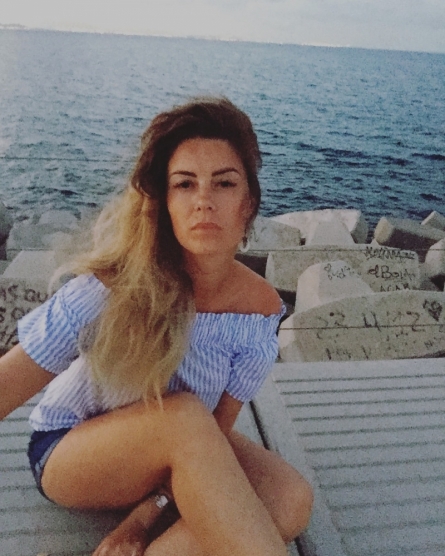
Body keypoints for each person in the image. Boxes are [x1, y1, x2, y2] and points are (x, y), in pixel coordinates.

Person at [0, 97, 313, 556]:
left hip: (175, 448)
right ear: (164, 202)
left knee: (289, 500)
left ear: (248, 204)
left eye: (224, 183)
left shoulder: (259, 312)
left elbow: (217, 426)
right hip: (71, 450)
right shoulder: (111, 289)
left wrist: (141, 521)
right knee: (184, 416)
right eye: (184, 184)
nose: (204, 200)